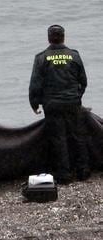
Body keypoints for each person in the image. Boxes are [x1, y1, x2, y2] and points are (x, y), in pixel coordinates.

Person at [29, 25, 90, 184]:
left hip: (52, 104)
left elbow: (36, 84)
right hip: (72, 102)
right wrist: (77, 97)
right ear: (63, 37)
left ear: (49, 38)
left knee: (58, 139)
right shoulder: (74, 55)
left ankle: (64, 174)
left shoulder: (41, 58)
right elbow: (83, 81)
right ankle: (83, 171)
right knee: (77, 136)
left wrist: (35, 103)